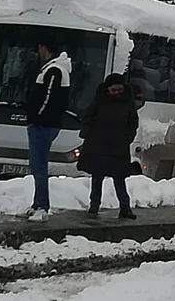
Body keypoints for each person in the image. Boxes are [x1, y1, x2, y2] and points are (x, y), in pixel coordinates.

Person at [78, 74, 139, 219]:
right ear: (107, 90)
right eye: (114, 90)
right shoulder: (99, 101)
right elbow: (88, 116)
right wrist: (90, 133)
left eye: (119, 89)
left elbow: (133, 122)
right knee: (97, 176)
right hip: (99, 144)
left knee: (119, 178)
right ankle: (94, 206)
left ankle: (125, 208)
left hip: (119, 146)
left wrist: (127, 139)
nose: (117, 92)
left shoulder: (128, 103)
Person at [25, 40, 72, 222]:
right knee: (37, 165)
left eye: (39, 48)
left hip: (43, 124)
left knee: (39, 166)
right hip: (44, 123)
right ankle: (37, 204)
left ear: (44, 47)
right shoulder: (54, 68)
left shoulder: (54, 71)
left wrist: (36, 117)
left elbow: (47, 97)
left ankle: (42, 207)